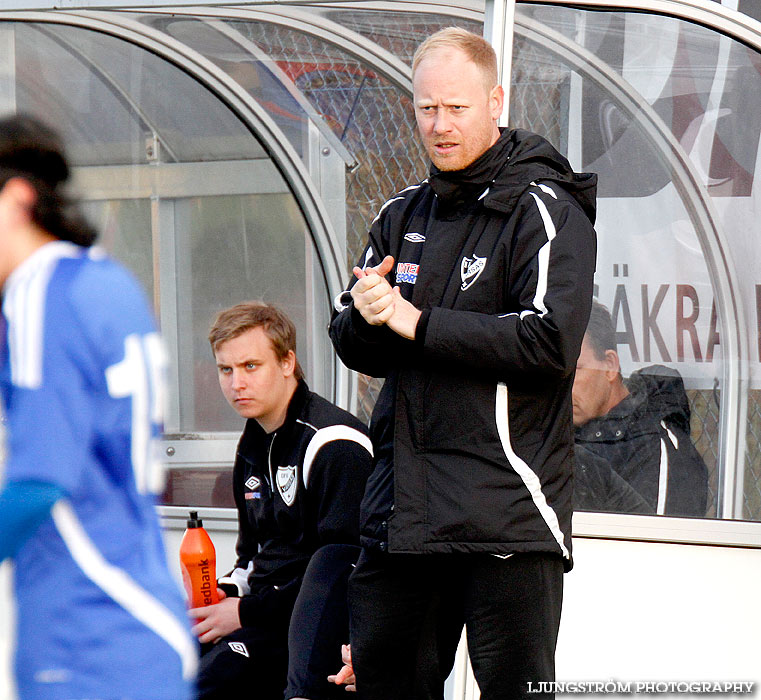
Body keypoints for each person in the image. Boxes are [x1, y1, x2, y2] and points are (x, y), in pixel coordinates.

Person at [329, 27, 597, 700]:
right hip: (404, 514)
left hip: (504, 511)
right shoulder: (400, 213)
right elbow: (355, 344)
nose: (439, 125)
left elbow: (547, 344)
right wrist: (364, 314)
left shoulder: (545, 208)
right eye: (425, 109)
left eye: (455, 107)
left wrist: (416, 322)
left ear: (494, 101)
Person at [0, 114, 196, 699]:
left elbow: (39, 481)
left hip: (86, 633)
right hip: (138, 623)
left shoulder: (39, 294)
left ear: (15, 198)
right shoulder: (105, 283)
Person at [194, 301, 373, 700]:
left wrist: (243, 612)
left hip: (313, 636)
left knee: (199, 686)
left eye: (250, 366)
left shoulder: (334, 443)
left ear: (288, 361)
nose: (236, 383)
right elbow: (252, 556)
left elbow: (343, 576)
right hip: (261, 617)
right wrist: (226, 593)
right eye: (226, 370)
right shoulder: (252, 442)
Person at [573, 300, 709, 516]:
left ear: (609, 365)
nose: (562, 385)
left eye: (575, 369)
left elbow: (661, 542)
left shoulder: (655, 445)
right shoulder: (554, 434)